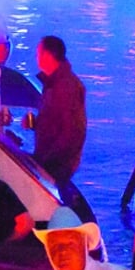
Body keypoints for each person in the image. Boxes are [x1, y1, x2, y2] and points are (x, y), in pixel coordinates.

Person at [33, 35, 87, 193]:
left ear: (48, 55)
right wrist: (36, 124)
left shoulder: (66, 87)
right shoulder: (53, 84)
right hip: (51, 161)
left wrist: (49, 160)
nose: (36, 58)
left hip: (57, 165)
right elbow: (55, 120)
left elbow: (74, 130)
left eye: (38, 53)